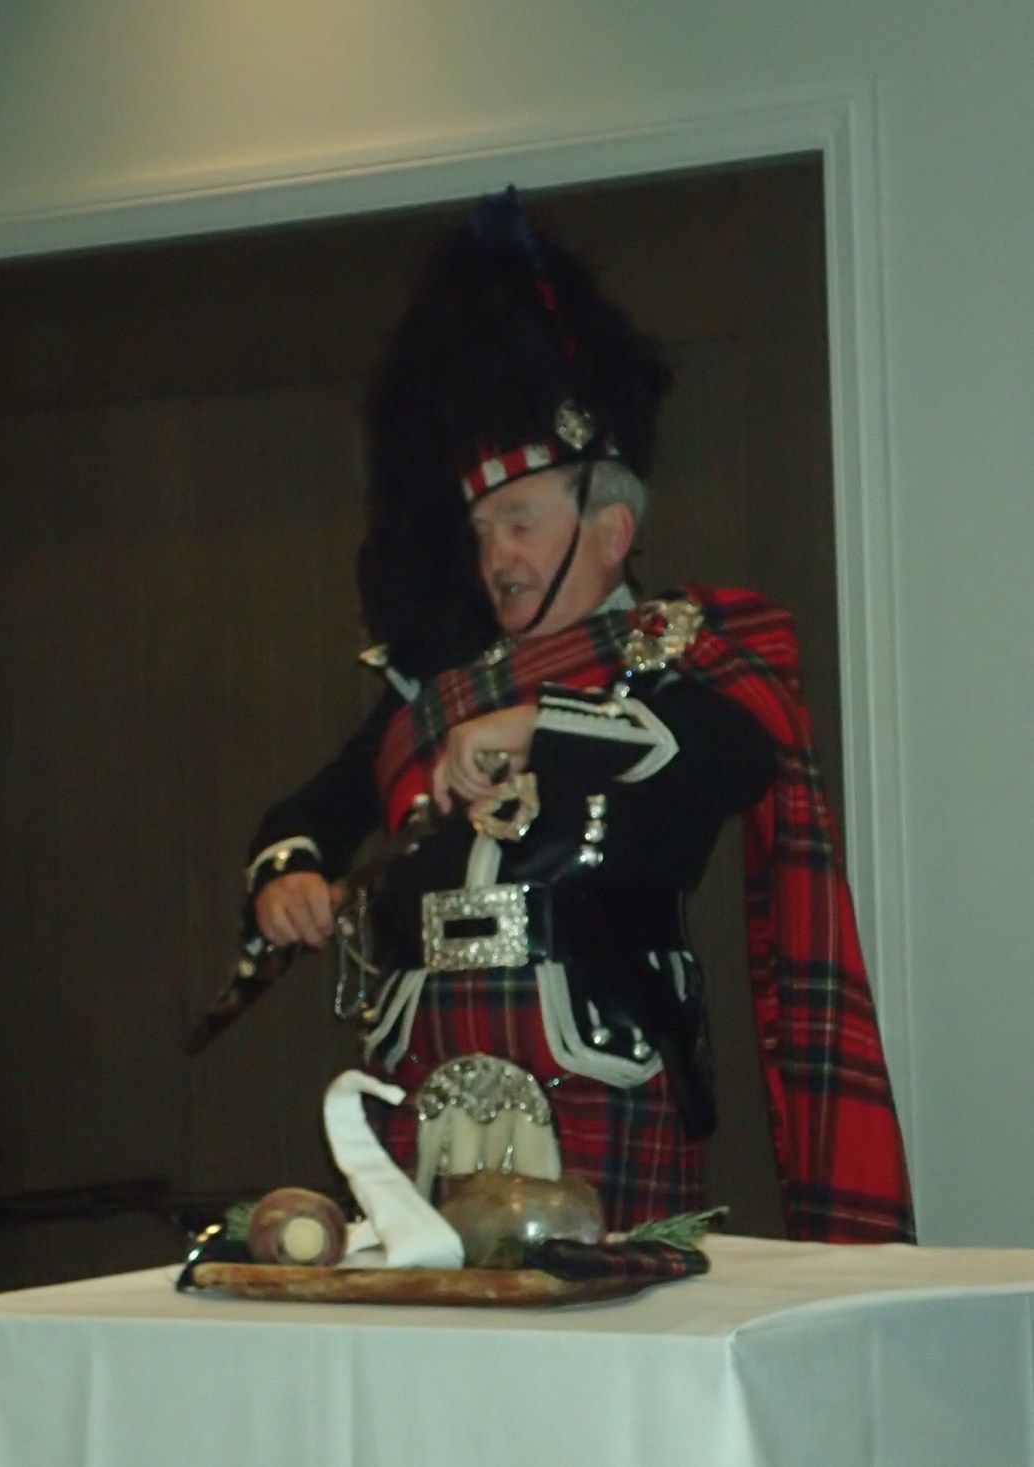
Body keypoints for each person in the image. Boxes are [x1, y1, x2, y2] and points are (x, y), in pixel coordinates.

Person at [244, 189, 915, 1241]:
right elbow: (314, 810)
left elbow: (730, 761)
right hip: (421, 1069)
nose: (494, 557)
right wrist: (287, 873)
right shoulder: (436, 688)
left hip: (595, 1057)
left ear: (608, 532)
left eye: (519, 520)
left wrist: (535, 723)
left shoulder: (686, 652)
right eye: (480, 531)